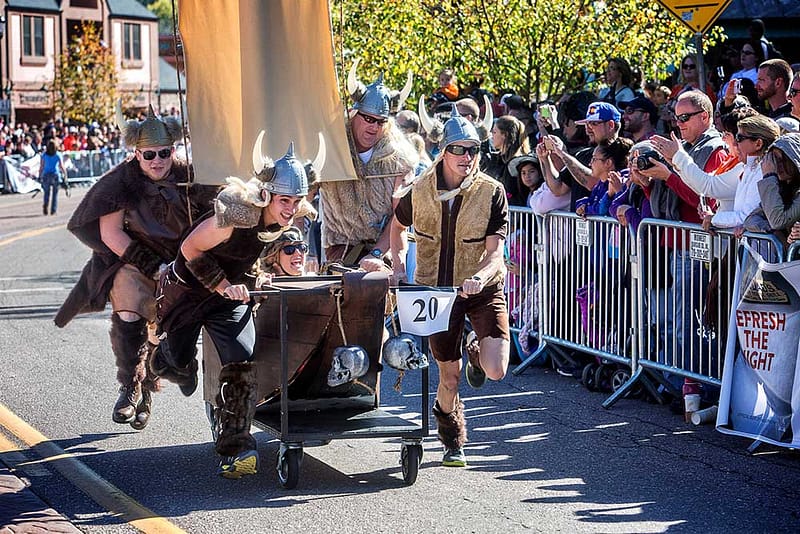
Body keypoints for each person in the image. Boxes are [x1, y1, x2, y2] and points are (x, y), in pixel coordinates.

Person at [151, 138, 323, 478]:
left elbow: (252, 253)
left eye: (296, 200)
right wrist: (223, 285)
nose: (291, 208)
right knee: (177, 362)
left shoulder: (290, 216)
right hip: (189, 294)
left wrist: (255, 278)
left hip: (228, 299)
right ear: (266, 196)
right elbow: (189, 248)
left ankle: (237, 449)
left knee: (242, 358)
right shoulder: (237, 212)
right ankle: (167, 361)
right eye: (284, 200)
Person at [54, 106, 217, 430]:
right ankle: (129, 387)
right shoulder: (121, 182)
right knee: (129, 314)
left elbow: (215, 218)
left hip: (183, 266)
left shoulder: (190, 177)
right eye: (149, 155)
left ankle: (152, 388)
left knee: (160, 335)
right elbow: (109, 233)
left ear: (173, 150)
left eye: (164, 153)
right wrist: (150, 264)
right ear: (137, 153)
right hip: (135, 262)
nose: (157, 161)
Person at [389, 109, 510, 467]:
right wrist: (397, 268)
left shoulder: (492, 192)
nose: (467, 157)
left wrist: (482, 277)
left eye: (473, 150)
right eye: (459, 149)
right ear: (443, 151)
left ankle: (477, 350)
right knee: (449, 376)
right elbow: (396, 229)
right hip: (435, 293)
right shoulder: (419, 191)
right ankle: (452, 439)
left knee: (496, 370)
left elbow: (497, 254)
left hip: (482, 288)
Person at [320, 60, 418, 270]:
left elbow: (400, 217)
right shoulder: (332, 149)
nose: (374, 127)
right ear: (354, 114)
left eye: (380, 121)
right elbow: (302, 198)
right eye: (368, 118)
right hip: (338, 251)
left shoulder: (399, 159)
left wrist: (377, 253)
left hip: (382, 252)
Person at [743, 133, 800, 244]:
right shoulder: (781, 189)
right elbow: (750, 220)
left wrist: (769, 177)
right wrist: (773, 231)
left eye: (781, 160)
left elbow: (778, 220)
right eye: (774, 161)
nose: (777, 166)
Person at [482, 115, 531, 206]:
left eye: (494, 132)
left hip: (514, 215)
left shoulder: (521, 163)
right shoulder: (492, 159)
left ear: (505, 135)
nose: (491, 136)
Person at [38, 139, 67, 216]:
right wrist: (65, 174)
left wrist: (39, 175)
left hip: (46, 175)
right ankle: (53, 210)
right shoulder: (57, 154)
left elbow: (42, 166)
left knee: (46, 193)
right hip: (55, 175)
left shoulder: (44, 155)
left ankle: (45, 205)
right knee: (55, 194)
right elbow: (61, 166)